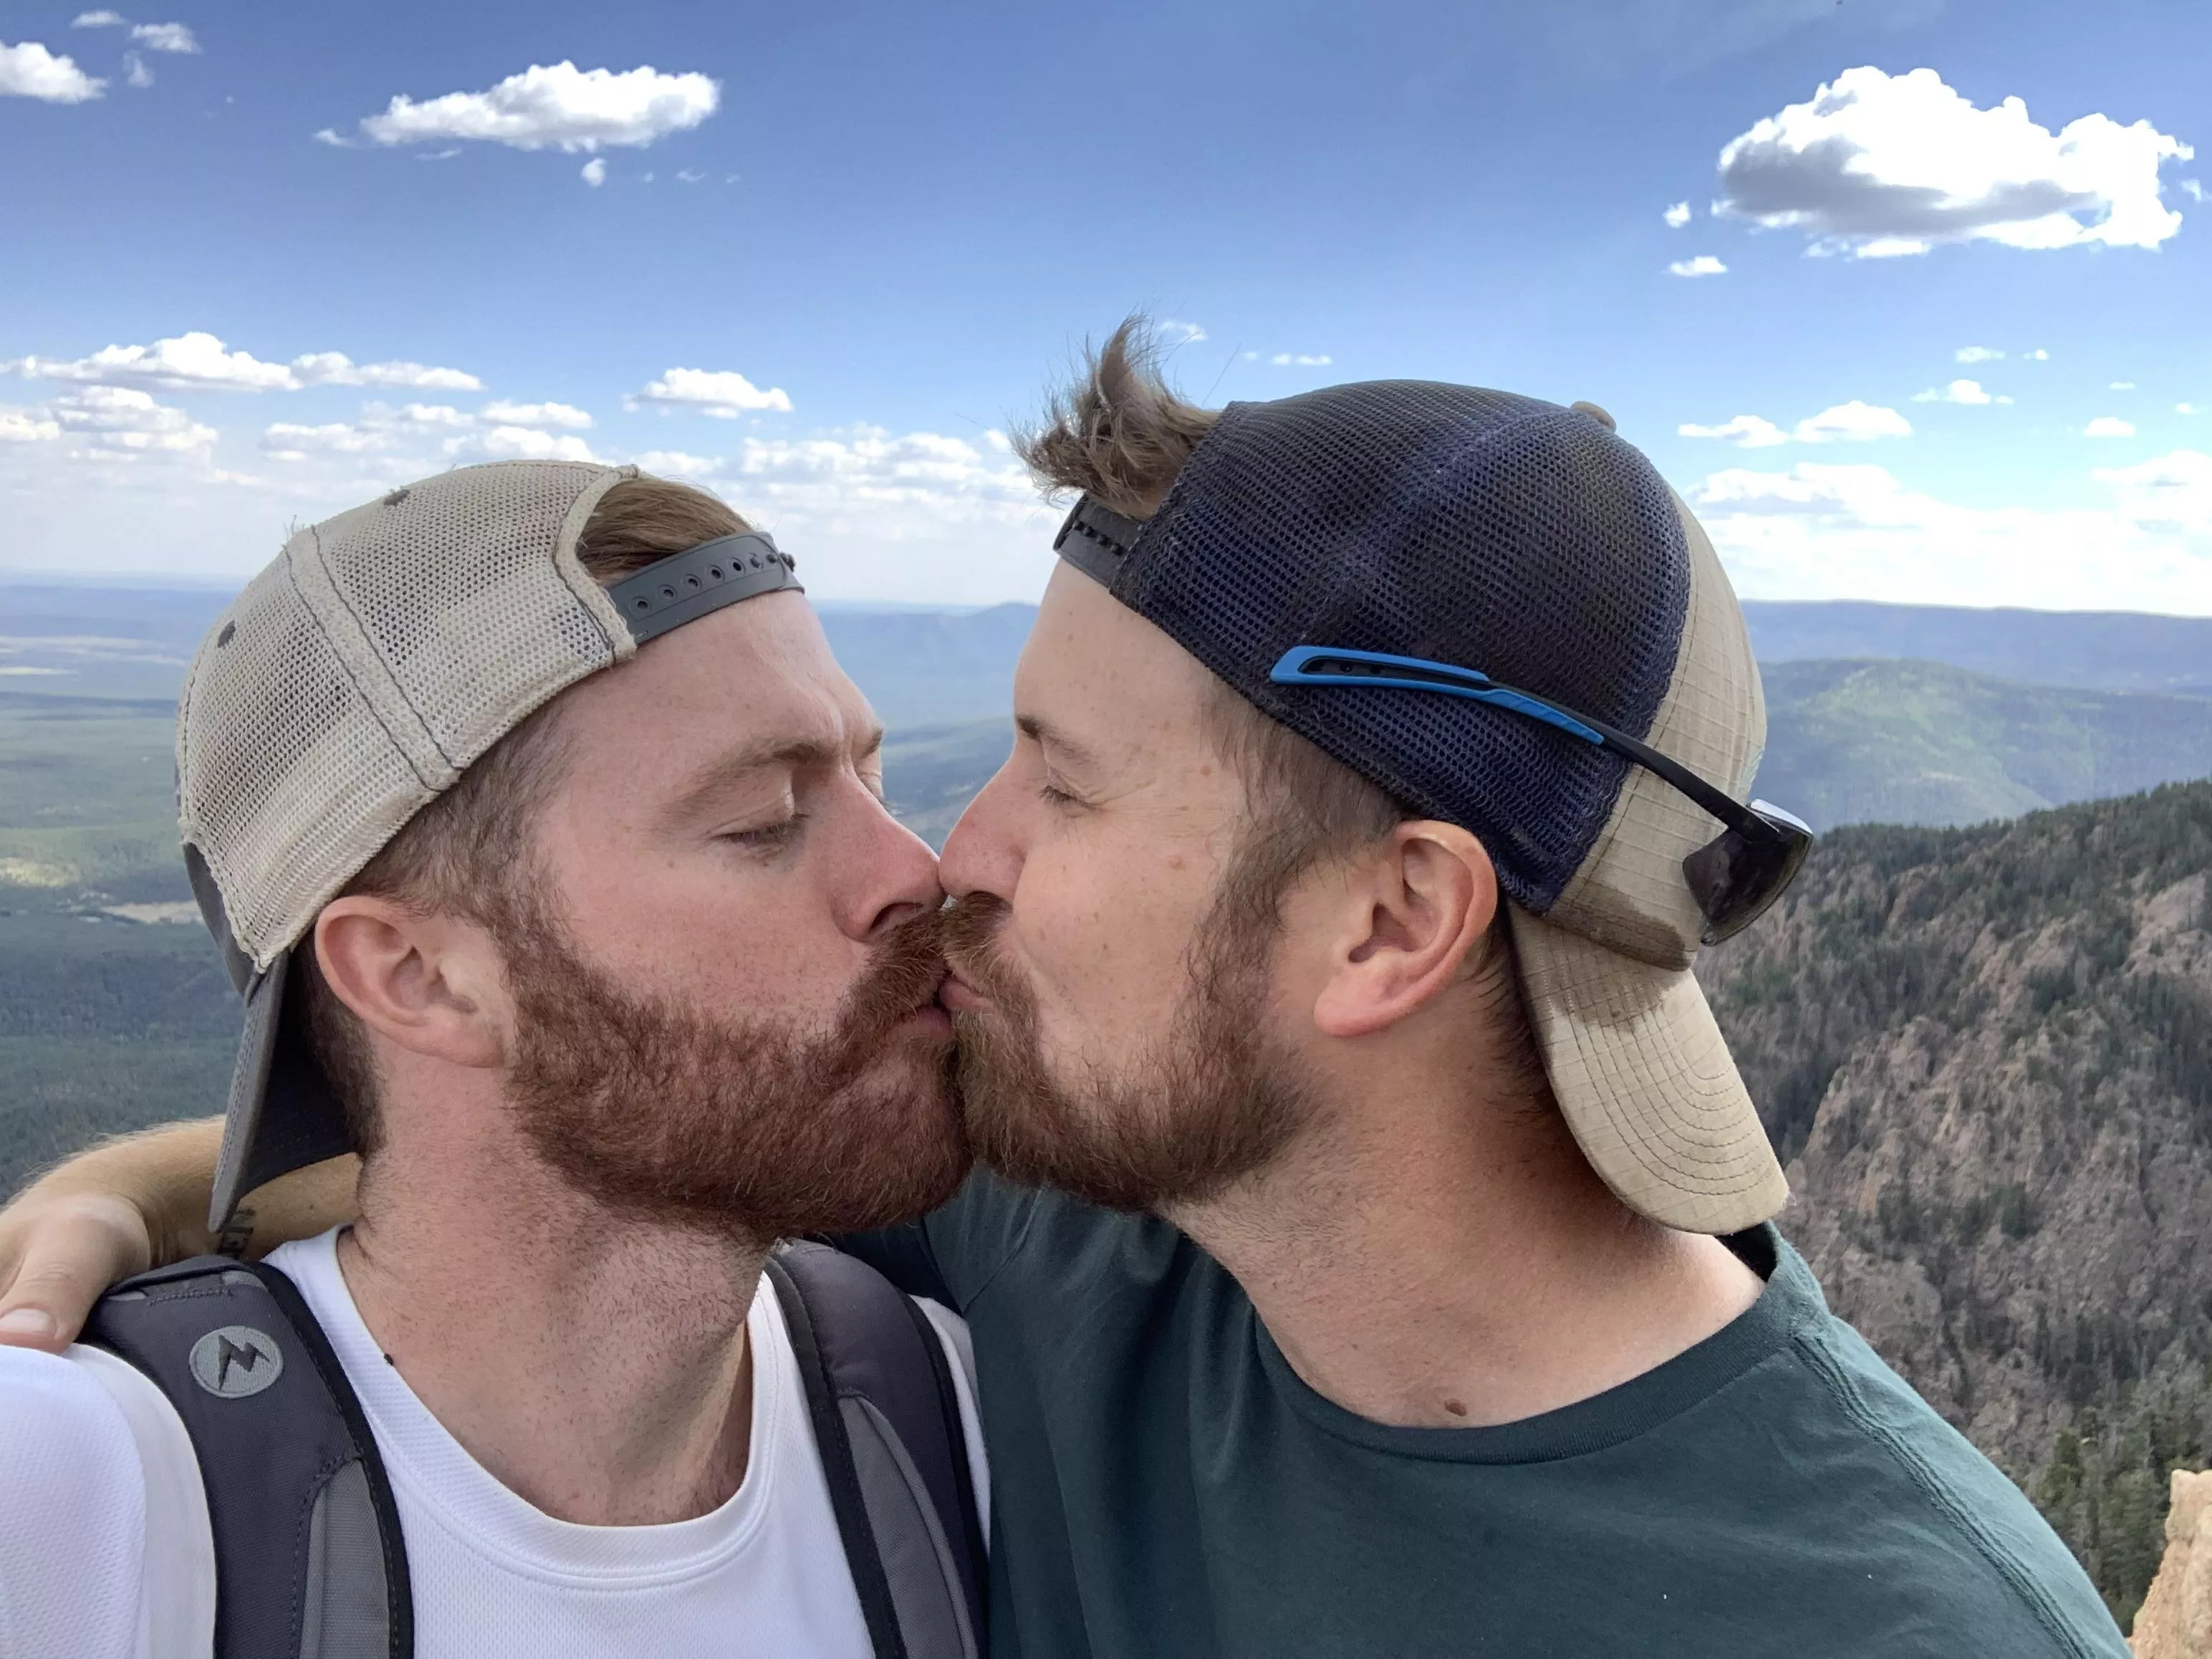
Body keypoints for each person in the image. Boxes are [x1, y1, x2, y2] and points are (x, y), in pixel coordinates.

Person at [1, 327, 2127, 1656]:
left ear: (1391, 928)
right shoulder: (1087, 1235)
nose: (954, 862)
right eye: (989, 748)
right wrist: (138, 1196)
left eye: (1064, 780)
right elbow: (565, 1144)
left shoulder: (1888, 1616)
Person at [0, 461, 990, 1659]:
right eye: (763, 824)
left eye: (870, 777)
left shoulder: (942, 1417)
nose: (916, 873)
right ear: (418, 976)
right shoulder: (85, 1494)